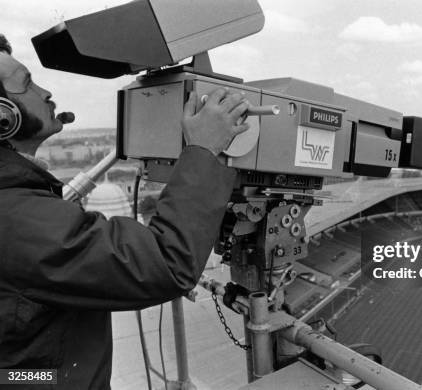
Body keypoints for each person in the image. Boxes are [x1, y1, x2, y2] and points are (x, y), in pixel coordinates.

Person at [0, 34, 249, 389]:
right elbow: (167, 262)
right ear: (2, 117)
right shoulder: (15, 217)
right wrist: (204, 150)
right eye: (27, 84)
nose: (45, 92)